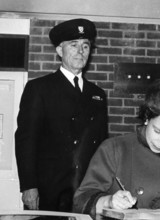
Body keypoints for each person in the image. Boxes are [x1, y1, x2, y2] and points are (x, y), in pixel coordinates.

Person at [73, 74, 160, 217]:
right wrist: (109, 201)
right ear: (147, 118)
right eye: (157, 131)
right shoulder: (115, 148)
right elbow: (81, 200)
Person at [15, 18, 108, 211]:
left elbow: (101, 144)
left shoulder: (97, 94)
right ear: (59, 51)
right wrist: (28, 186)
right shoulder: (39, 88)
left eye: (85, 46)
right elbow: (26, 140)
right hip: (48, 188)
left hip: (86, 187)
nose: (80, 51)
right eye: (73, 45)